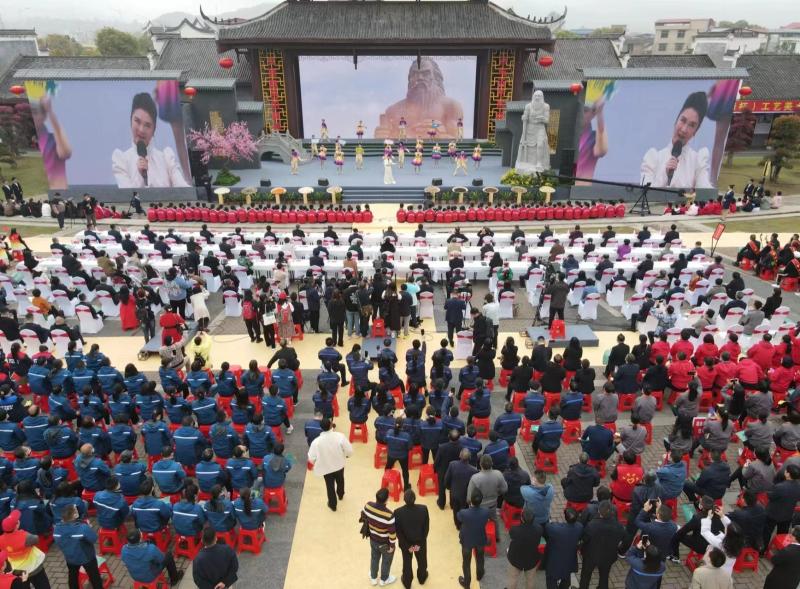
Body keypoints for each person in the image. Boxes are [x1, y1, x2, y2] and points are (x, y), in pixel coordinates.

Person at [112, 91, 189, 188]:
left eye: (147, 125)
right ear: (131, 120)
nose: (141, 129)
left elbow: (184, 189)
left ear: (154, 129)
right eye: (137, 121)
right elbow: (127, 195)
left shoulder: (166, 159)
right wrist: (140, 177)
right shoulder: (121, 160)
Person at [308, 417, 353, 511]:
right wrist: (347, 455)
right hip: (339, 465)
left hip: (326, 468)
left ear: (321, 427)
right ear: (331, 425)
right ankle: (340, 495)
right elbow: (349, 450)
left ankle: (333, 505)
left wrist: (313, 464)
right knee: (340, 480)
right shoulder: (340, 436)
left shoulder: (316, 442)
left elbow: (311, 458)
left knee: (330, 486)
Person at [53, 504, 103, 589]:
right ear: (75, 515)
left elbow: (59, 542)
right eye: (76, 511)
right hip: (87, 558)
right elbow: (93, 539)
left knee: (72, 576)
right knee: (94, 577)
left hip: (70, 558)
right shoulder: (82, 528)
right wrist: (88, 528)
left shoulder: (57, 529)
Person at [578, 500, 626, 589]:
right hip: (608, 556)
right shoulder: (619, 527)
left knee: (585, 576)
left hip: (591, 556)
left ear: (599, 511)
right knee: (604, 577)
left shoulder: (592, 525)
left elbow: (584, 539)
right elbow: (622, 539)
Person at [360, 488, 397, 586]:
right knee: (386, 561)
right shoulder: (389, 515)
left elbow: (363, 514)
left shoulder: (368, 506)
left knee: (374, 558)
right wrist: (392, 546)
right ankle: (384, 580)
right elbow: (392, 534)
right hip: (385, 543)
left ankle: (373, 578)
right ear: (387, 499)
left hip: (373, 539)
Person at [394, 489, 429, 589]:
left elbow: (398, 532)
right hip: (420, 542)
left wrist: (408, 546)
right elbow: (426, 528)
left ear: (404, 500)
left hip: (406, 543)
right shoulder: (423, 509)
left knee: (407, 562)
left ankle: (407, 582)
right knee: (422, 560)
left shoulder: (398, 512)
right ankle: (422, 578)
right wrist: (419, 544)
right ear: (415, 498)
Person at [544, 507, 583, 589]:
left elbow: (547, 526)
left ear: (565, 517)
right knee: (566, 580)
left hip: (555, 562)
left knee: (551, 581)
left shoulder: (556, 530)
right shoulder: (579, 527)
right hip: (569, 561)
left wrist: (557, 524)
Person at [457, 490, 490, 589]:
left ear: (470, 500)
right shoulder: (486, 512)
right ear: (481, 501)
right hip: (480, 538)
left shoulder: (464, 513)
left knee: (466, 562)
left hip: (467, 540)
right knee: (480, 558)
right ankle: (479, 574)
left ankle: (466, 583)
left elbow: (458, 517)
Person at [192, 525, 239, 589]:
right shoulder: (227, 549)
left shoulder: (198, 559)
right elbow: (234, 566)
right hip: (225, 585)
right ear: (216, 538)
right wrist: (225, 582)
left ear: (202, 541)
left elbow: (198, 579)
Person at [506, 507, 542, 589]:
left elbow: (511, 535)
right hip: (531, 559)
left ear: (522, 518)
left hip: (515, 558)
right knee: (530, 580)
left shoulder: (515, 530)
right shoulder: (539, 529)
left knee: (512, 579)